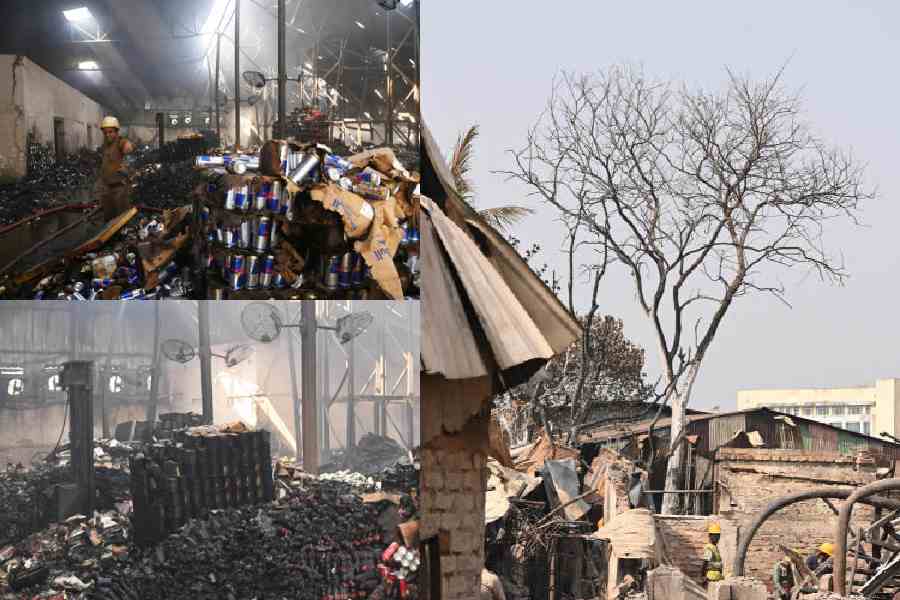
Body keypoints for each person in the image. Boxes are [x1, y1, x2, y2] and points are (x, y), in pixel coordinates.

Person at [96, 116, 134, 222]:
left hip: (119, 188)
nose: (107, 134)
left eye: (110, 132)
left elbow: (127, 145)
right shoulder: (106, 145)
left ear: (116, 132)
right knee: (108, 217)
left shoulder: (120, 142)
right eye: (105, 132)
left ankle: (122, 237)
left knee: (121, 218)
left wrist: (128, 145)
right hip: (106, 188)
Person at [702, 522, 724, 587]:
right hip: (710, 578)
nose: (717, 538)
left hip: (717, 578)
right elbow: (705, 563)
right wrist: (703, 577)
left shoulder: (715, 547)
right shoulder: (709, 548)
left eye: (718, 535)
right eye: (715, 535)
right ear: (710, 536)